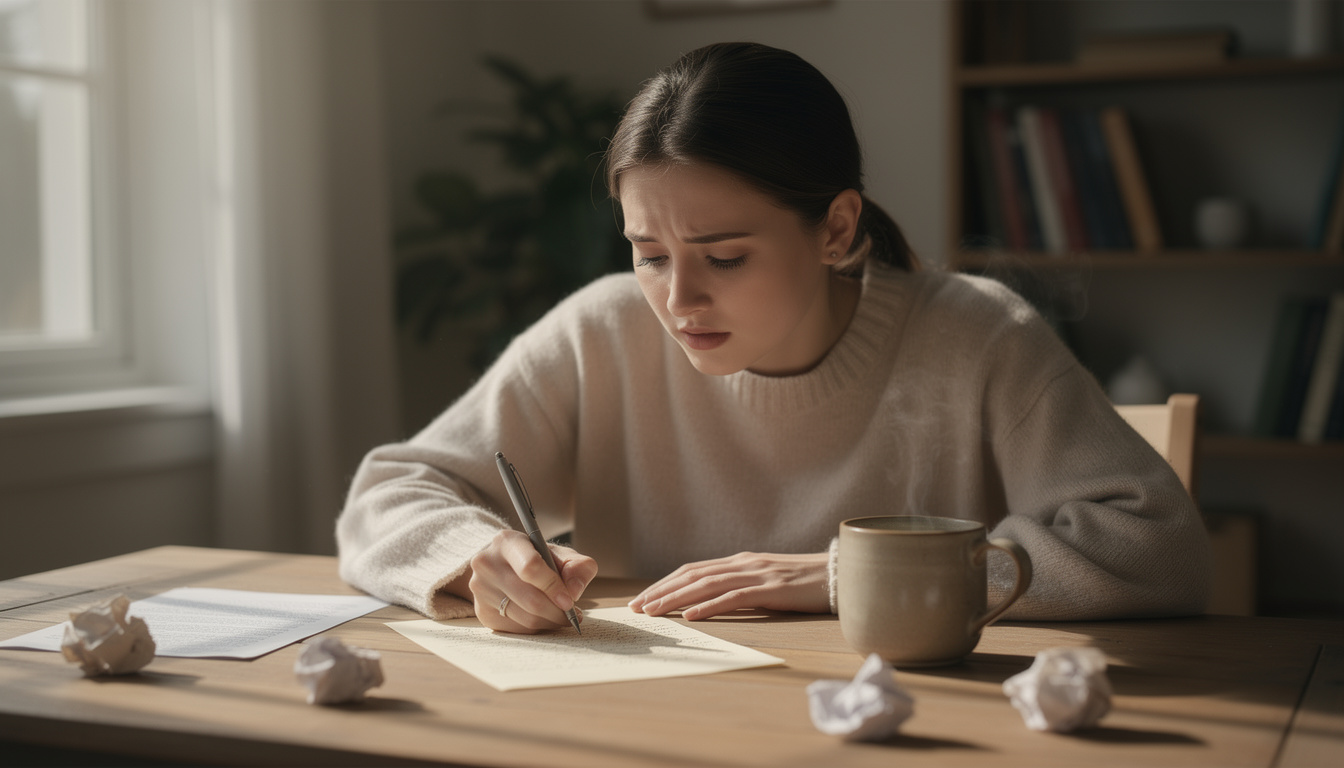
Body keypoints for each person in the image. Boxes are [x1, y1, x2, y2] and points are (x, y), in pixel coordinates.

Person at [337, 42, 1211, 634]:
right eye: (648, 253)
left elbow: (1158, 546)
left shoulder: (975, 335)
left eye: (723, 256)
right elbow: (390, 490)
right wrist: (476, 556)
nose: (678, 298)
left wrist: (846, 577)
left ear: (835, 229)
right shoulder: (603, 328)